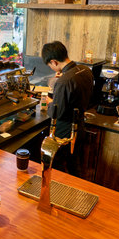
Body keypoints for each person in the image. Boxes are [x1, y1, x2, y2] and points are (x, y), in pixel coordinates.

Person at [41, 41, 93, 175]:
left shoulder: (64, 82)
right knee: (74, 165)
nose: (51, 68)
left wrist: (50, 102)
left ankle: (62, 193)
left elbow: (56, 113)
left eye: (50, 65)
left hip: (64, 133)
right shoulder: (85, 70)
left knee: (61, 168)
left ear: (54, 62)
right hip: (79, 126)